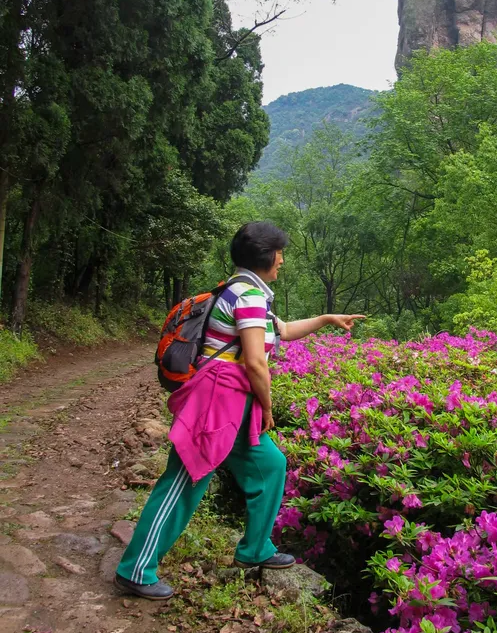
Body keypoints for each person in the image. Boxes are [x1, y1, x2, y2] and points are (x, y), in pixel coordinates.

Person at [114, 221, 365, 600]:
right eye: (279, 253)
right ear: (265, 256)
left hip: (234, 405)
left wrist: (328, 319)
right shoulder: (247, 295)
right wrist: (267, 406)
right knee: (185, 481)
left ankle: (255, 549)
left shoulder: (247, 293)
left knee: (270, 465)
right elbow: (255, 363)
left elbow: (283, 330)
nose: (282, 260)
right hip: (217, 404)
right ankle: (135, 569)